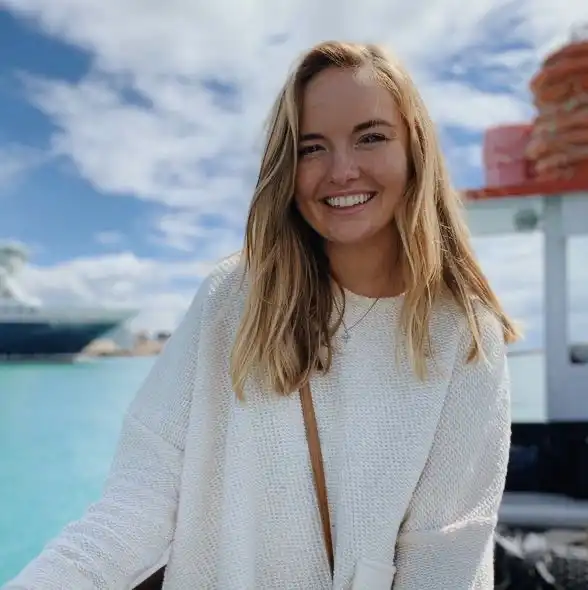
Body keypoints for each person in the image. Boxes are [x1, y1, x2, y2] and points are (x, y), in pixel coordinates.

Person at [4, 41, 519, 590]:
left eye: (370, 137)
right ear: (286, 166)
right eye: (312, 148)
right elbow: (136, 506)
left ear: (415, 148)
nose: (342, 170)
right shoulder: (233, 300)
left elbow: (446, 557)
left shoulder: (465, 336)